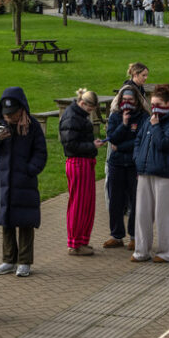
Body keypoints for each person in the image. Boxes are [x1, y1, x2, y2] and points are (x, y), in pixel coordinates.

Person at [0, 87, 47, 275]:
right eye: (7, 114)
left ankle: (24, 260)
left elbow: (41, 153)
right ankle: (8, 259)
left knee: (25, 222)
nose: (9, 118)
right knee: (6, 221)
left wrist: (30, 170)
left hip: (25, 183)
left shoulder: (32, 127)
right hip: (4, 182)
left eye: (13, 114)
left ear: (22, 109)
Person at [131, 85, 169, 263]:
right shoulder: (147, 120)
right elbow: (138, 140)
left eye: (158, 104)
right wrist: (137, 158)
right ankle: (141, 250)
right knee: (142, 214)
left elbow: (165, 145)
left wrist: (156, 126)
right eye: (152, 104)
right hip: (144, 171)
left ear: (167, 104)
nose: (154, 108)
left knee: (163, 215)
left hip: (162, 174)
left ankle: (167, 252)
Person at [104, 86, 148, 251]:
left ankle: (135, 236)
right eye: (124, 100)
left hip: (134, 165)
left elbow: (140, 140)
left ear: (136, 101)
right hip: (116, 164)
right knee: (115, 200)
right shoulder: (115, 116)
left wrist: (120, 146)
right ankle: (116, 235)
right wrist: (123, 124)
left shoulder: (143, 117)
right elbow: (112, 137)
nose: (127, 103)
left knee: (136, 201)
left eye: (130, 100)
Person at [59, 89, 103, 255]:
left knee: (86, 203)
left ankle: (82, 240)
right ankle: (75, 243)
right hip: (78, 163)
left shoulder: (78, 115)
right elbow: (70, 145)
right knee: (78, 204)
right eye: (90, 109)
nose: (90, 112)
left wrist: (92, 144)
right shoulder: (72, 117)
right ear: (83, 103)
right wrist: (92, 146)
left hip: (84, 162)